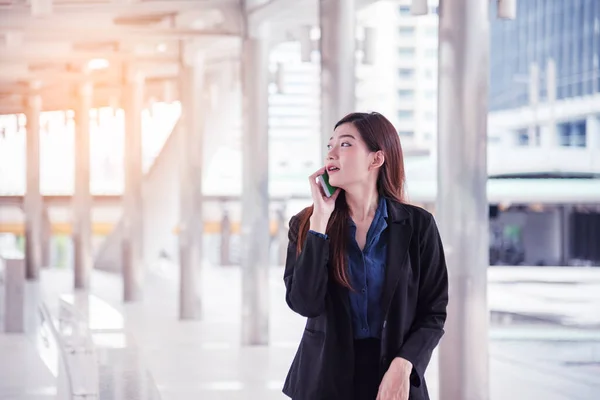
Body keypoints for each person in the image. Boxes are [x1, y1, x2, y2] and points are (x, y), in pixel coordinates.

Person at [282, 112, 448, 400]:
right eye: (329, 145)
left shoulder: (418, 225)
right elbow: (304, 303)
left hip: (394, 377)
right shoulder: (306, 224)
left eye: (345, 145)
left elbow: (433, 311)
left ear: (376, 159)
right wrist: (320, 222)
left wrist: (405, 364)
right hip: (325, 378)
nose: (331, 152)